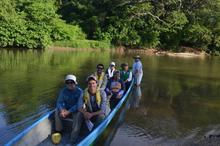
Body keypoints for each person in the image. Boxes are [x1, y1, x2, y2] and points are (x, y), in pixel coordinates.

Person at [55, 74, 83, 144]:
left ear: (75, 83)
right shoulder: (63, 91)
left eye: (72, 82)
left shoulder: (80, 92)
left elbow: (79, 105)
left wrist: (69, 111)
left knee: (79, 115)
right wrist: (61, 110)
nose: (70, 84)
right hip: (66, 110)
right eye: (68, 82)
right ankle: (59, 131)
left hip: (76, 110)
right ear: (66, 83)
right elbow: (59, 102)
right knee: (56, 111)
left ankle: (72, 140)